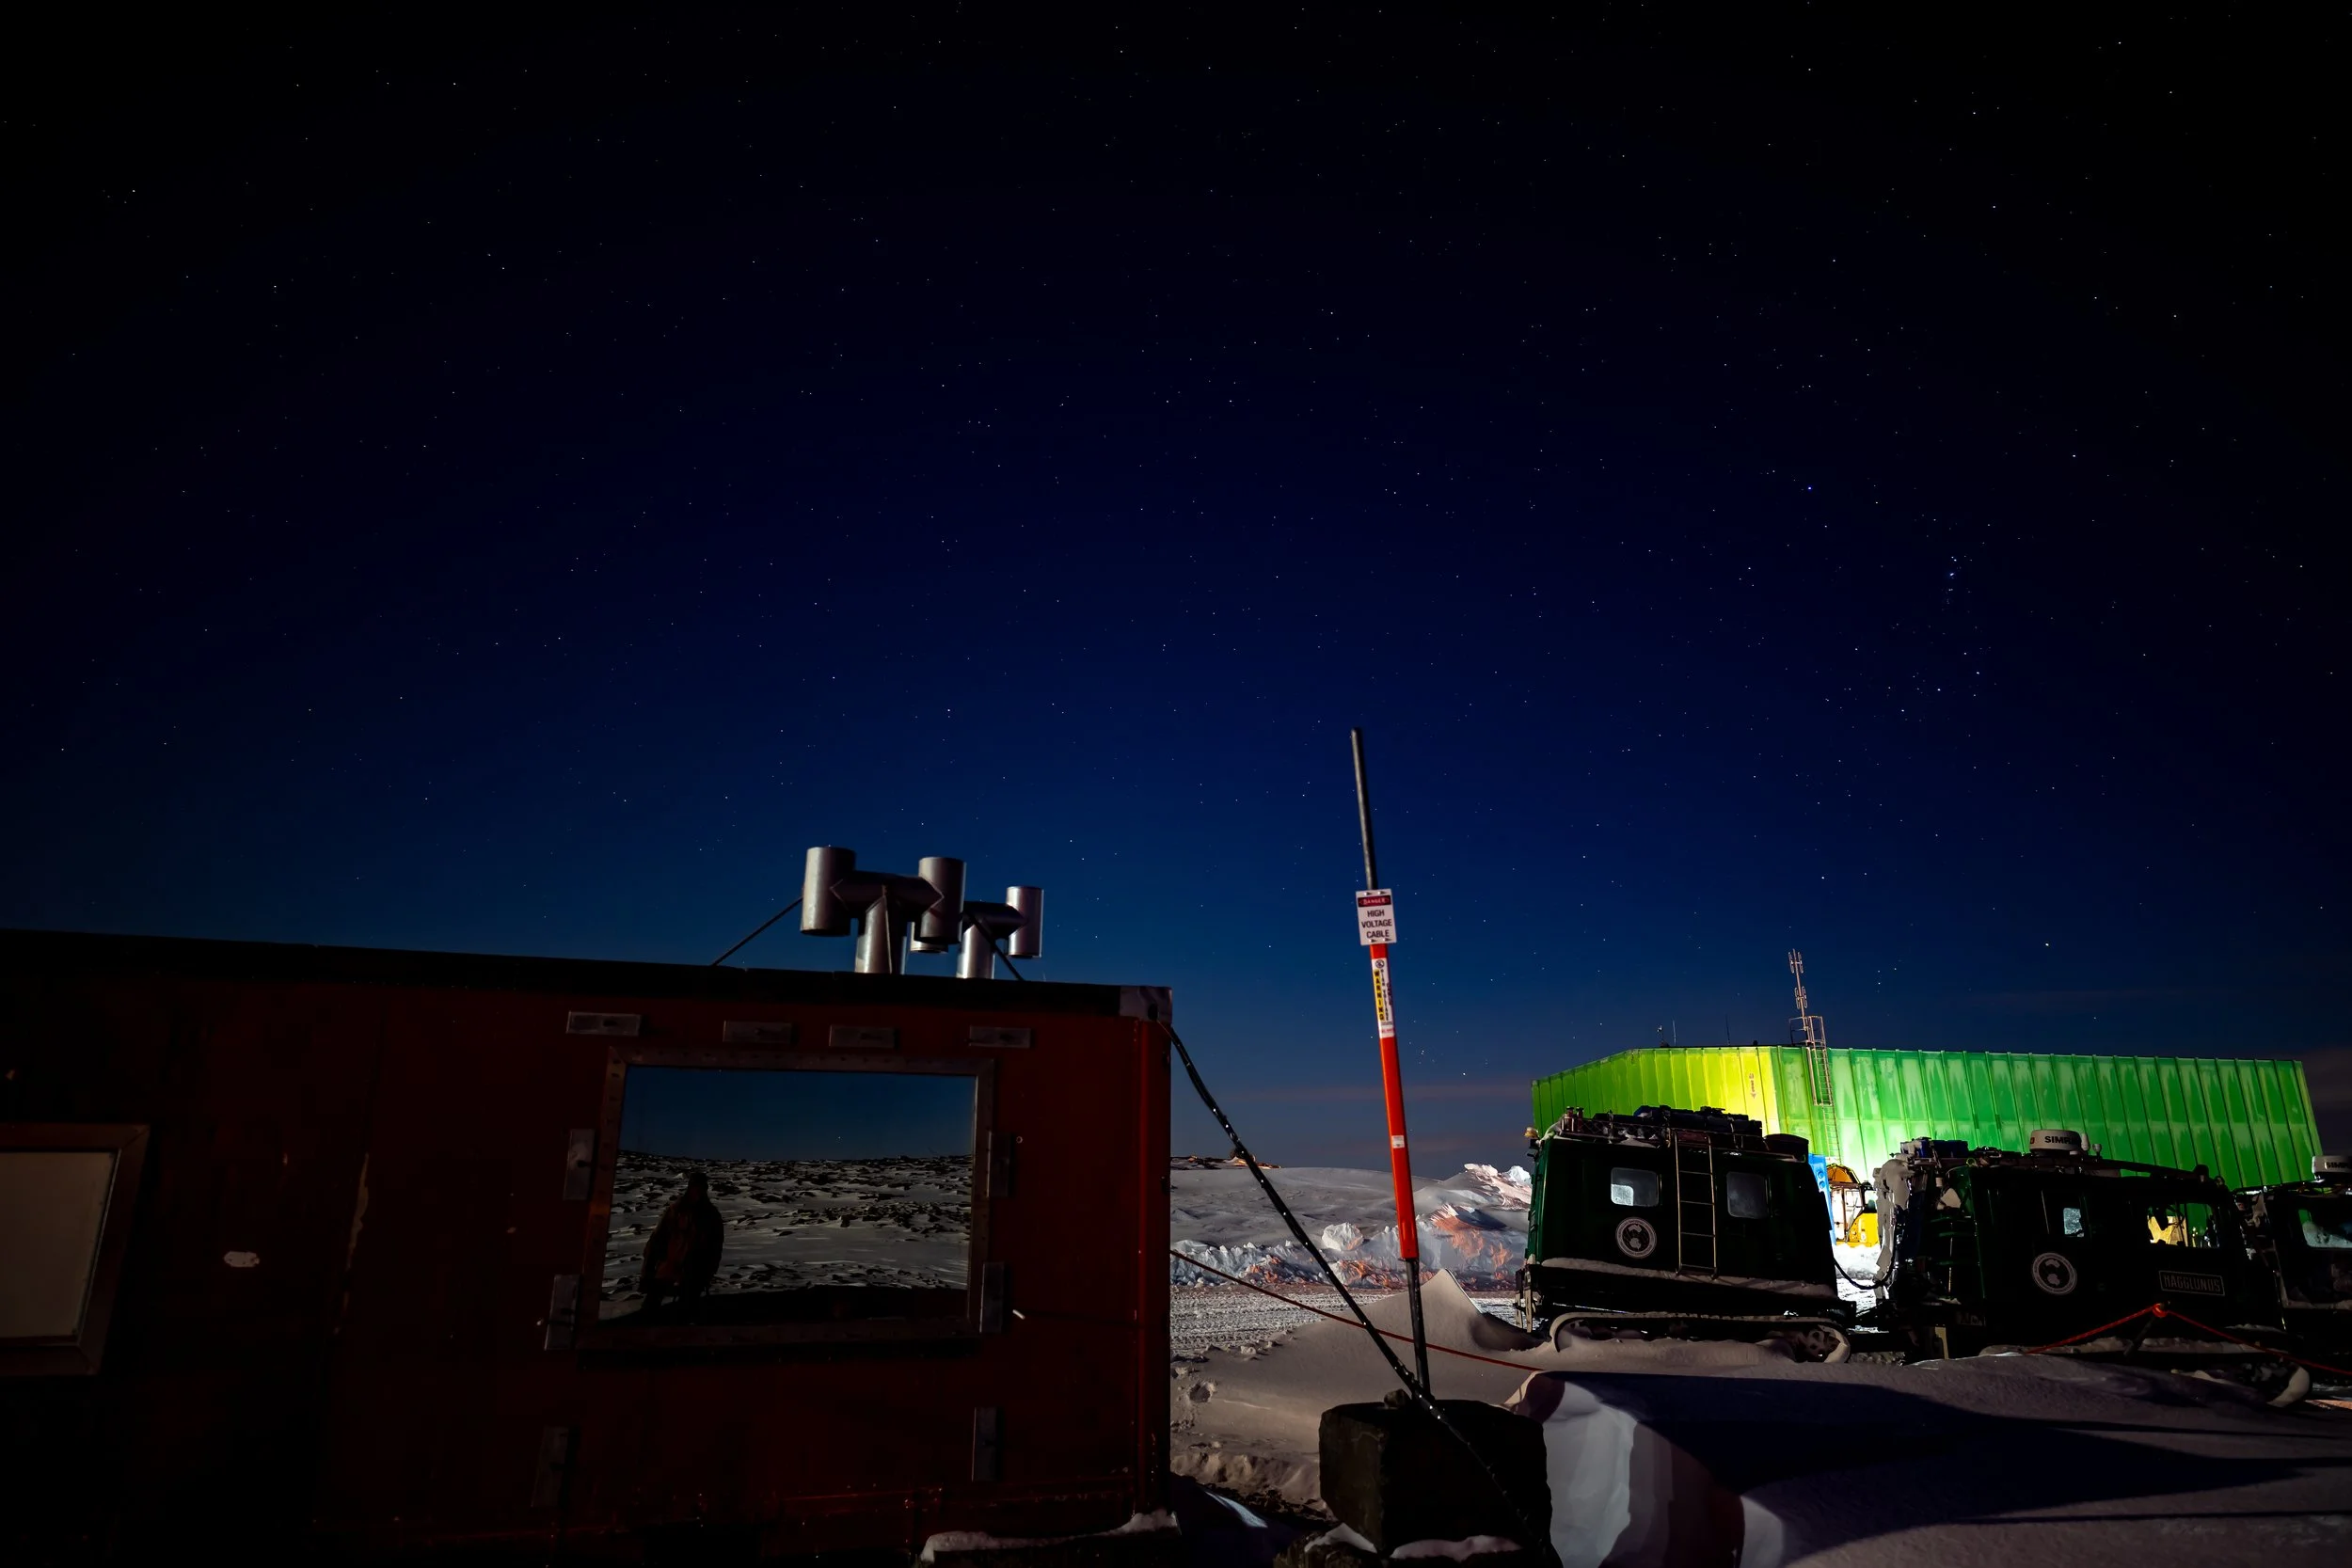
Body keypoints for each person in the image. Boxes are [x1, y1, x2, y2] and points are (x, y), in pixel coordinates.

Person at [640, 1170, 724, 1318]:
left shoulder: (711, 1215)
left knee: (686, 1312)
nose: (698, 1191)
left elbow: (716, 1247)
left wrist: (707, 1273)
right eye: (695, 1187)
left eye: (701, 1187)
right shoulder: (676, 1210)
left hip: (695, 1272)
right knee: (650, 1309)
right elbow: (656, 1240)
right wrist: (647, 1271)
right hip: (669, 1267)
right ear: (690, 1188)